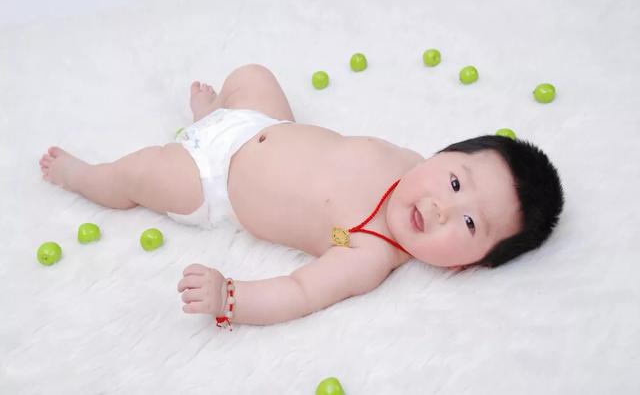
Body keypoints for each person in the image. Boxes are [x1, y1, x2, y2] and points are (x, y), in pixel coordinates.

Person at [39, 64, 564, 329]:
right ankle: (211, 116)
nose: (441, 207)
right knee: (253, 74)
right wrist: (238, 122)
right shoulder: (407, 163)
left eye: (469, 225)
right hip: (261, 123)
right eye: (454, 182)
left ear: (468, 265)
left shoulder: (367, 253)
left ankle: (84, 177)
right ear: (441, 154)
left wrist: (231, 298)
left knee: (139, 172)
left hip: (211, 179)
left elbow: (301, 291)